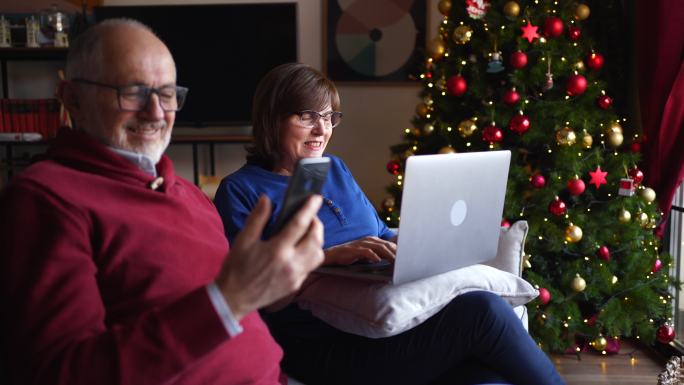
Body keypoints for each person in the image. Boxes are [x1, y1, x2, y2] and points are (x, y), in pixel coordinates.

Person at [0, 20, 326, 385]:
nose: (156, 113)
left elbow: (240, 312)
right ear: (72, 97)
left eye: (167, 94)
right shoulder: (45, 199)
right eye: (134, 92)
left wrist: (278, 285)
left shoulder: (191, 197)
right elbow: (63, 374)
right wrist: (229, 299)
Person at [214, 63, 566, 385]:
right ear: (271, 119)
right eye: (307, 116)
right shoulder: (241, 190)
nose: (322, 129)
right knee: (482, 312)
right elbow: (249, 292)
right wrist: (328, 256)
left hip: (388, 325)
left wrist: (422, 245)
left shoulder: (333, 168)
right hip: (322, 345)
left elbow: (380, 233)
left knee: (487, 376)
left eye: (329, 116)